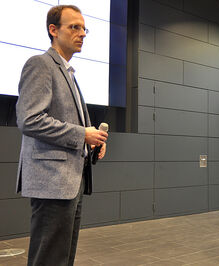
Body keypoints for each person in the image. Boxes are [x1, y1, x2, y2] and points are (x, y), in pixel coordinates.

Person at [15, 5, 108, 266]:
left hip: (69, 183)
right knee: (49, 260)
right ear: (53, 30)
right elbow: (30, 120)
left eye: (84, 28)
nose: (82, 34)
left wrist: (93, 144)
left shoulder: (67, 72)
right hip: (51, 183)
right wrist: (82, 134)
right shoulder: (40, 64)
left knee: (62, 258)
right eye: (74, 27)